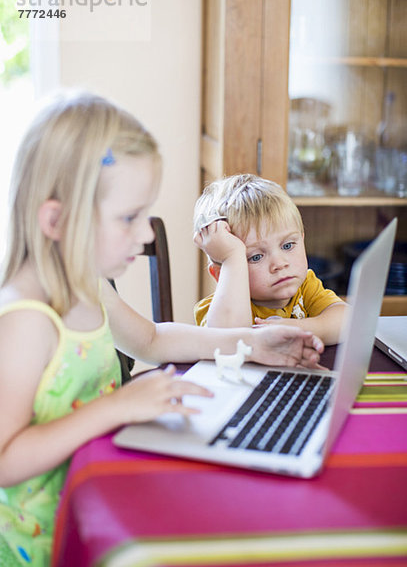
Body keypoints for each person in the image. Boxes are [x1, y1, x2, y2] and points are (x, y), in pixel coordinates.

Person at [0, 91, 324, 566]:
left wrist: (252, 342)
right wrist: (117, 406)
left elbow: (152, 340)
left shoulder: (90, 287)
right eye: (130, 218)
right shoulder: (26, 321)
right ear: (56, 219)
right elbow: (5, 460)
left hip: (94, 494)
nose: (147, 234)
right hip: (46, 540)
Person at [193, 174, 346, 344]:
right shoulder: (217, 309)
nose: (279, 264)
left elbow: (348, 321)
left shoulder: (305, 287)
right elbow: (227, 342)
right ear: (222, 274)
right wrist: (232, 256)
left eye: (287, 246)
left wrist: (297, 328)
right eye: (256, 257)